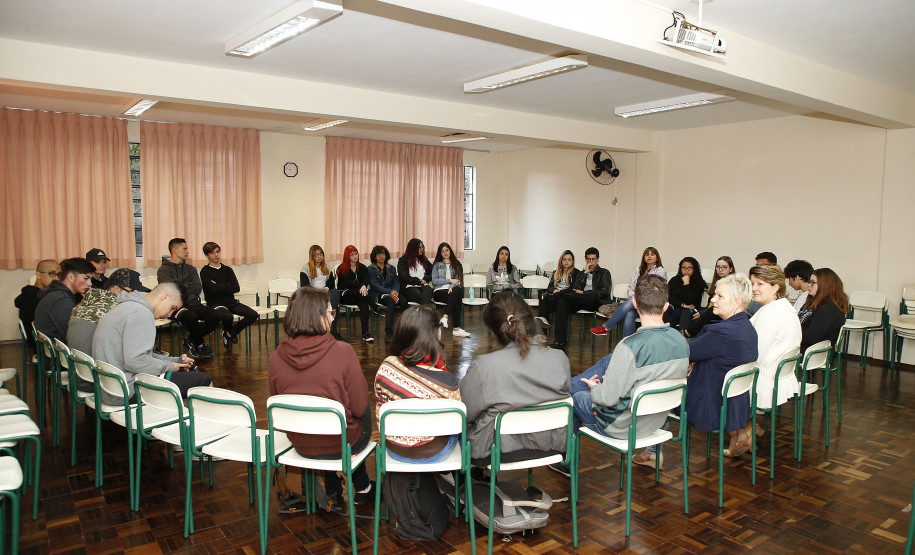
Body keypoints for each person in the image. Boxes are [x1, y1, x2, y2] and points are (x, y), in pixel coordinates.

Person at [553, 274, 689, 475]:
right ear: (667, 306)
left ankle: (567, 462)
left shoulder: (629, 346)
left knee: (576, 397)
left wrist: (596, 388)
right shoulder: (681, 342)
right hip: (656, 421)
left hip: (624, 426)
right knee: (608, 362)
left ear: (634, 303)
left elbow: (606, 399)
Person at [268, 287, 375, 508]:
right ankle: (362, 486)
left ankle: (334, 481)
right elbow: (358, 407)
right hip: (340, 442)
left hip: (300, 443)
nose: (333, 317)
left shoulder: (275, 357)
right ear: (317, 317)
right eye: (330, 312)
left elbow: (277, 403)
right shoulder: (343, 351)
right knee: (362, 412)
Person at [460, 291, 570, 466]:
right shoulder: (560, 359)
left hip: (495, 450)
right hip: (552, 446)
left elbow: (465, 412)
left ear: (494, 331)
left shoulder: (485, 366)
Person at [92, 280, 212, 406]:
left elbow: (141, 355)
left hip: (110, 388)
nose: (169, 315)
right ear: (165, 296)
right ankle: (200, 423)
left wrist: (175, 361)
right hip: (126, 390)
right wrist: (171, 366)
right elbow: (136, 361)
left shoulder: (125, 306)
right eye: (172, 308)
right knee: (202, 380)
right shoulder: (141, 313)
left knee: (183, 373)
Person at [374, 305, 461, 463]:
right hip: (433, 453)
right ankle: (457, 480)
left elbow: (379, 400)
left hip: (393, 448)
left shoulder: (387, 366)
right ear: (435, 334)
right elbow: (455, 423)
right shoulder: (448, 384)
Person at [684, 274, 758, 457]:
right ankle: (739, 433)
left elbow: (687, 352)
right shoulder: (748, 328)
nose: (713, 299)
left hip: (709, 402)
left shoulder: (721, 332)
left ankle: (652, 451)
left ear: (737, 302)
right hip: (732, 398)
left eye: (719, 296)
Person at [157, 237, 234, 359]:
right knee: (191, 317)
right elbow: (170, 290)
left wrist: (179, 286)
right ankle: (199, 343)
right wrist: (186, 286)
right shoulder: (163, 270)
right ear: (174, 250)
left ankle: (191, 340)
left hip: (194, 304)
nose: (188, 252)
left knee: (216, 316)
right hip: (175, 306)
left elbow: (197, 288)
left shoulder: (191, 269)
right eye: (185, 249)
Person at [749, 264, 801, 411]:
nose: (754, 288)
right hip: (779, 378)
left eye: (760, 284)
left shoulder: (770, 314)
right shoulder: (786, 308)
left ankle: (744, 428)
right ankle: (744, 428)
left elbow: (755, 355)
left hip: (763, 381)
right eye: (752, 283)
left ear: (776, 287)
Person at [67, 268, 150, 357]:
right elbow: (134, 351)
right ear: (116, 289)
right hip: (99, 366)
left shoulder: (88, 302)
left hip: (78, 364)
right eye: (131, 292)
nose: (135, 297)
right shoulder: (116, 309)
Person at [590, 247, 665, 339]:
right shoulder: (638, 269)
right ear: (643, 257)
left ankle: (606, 327)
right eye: (647, 254)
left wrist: (637, 299)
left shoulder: (660, 271)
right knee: (629, 313)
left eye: (652, 254)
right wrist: (635, 299)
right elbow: (631, 287)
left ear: (657, 258)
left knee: (632, 301)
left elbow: (655, 290)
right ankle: (629, 344)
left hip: (650, 304)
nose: (649, 256)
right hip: (636, 304)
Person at [199, 242, 260, 349]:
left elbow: (236, 288)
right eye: (212, 253)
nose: (216, 255)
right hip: (215, 304)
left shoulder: (228, 270)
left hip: (231, 302)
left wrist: (218, 285)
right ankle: (228, 332)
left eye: (217, 252)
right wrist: (227, 286)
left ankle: (229, 333)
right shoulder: (205, 271)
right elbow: (211, 290)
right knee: (228, 316)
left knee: (253, 314)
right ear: (207, 255)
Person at [551, 247, 612, 349]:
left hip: (596, 302)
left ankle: (559, 294)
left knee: (590, 296)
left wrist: (584, 293)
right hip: (580, 301)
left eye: (593, 259)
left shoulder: (604, 273)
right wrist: (585, 274)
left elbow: (603, 292)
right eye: (588, 259)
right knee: (562, 302)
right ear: (585, 259)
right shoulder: (581, 273)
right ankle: (560, 341)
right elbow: (576, 288)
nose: (591, 262)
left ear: (598, 259)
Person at [34, 257, 94, 344]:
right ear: (70, 277)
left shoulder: (58, 294)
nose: (90, 284)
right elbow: (75, 335)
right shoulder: (61, 300)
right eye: (86, 278)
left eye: (90, 279)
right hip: (59, 354)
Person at [798, 268, 848, 354]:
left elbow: (811, 337)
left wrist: (790, 334)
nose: (809, 285)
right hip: (799, 345)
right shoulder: (812, 302)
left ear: (825, 285)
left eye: (813, 282)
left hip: (809, 352)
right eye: (809, 282)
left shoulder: (829, 309)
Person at [15, 259, 60, 354]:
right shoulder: (36, 300)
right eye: (52, 274)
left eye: (58, 275)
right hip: (44, 349)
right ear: (39, 275)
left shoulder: (29, 294)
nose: (56, 279)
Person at [299, 244, 342, 339]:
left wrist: (325, 289)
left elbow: (331, 283)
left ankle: (332, 331)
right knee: (323, 303)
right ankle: (318, 331)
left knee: (335, 292)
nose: (319, 257)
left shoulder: (327, 266)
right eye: (316, 255)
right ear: (312, 256)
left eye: (321, 254)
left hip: (325, 293)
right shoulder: (306, 268)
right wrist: (316, 292)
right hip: (312, 294)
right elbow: (304, 286)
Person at [366, 244, 407, 342]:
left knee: (404, 301)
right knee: (391, 302)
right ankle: (389, 332)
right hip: (377, 294)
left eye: (383, 254)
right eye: (378, 254)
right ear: (374, 256)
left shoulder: (391, 268)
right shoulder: (370, 269)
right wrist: (390, 292)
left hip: (392, 293)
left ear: (386, 256)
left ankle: (407, 330)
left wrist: (395, 292)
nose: (381, 256)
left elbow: (396, 281)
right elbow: (374, 285)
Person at [431, 242, 470, 338]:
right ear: (440, 253)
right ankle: (456, 328)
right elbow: (435, 281)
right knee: (457, 296)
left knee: (456, 291)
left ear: (450, 251)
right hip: (439, 291)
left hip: (452, 291)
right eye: (442, 251)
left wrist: (451, 286)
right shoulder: (437, 265)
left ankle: (445, 317)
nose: (445, 253)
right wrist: (450, 280)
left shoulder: (456, 264)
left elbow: (459, 281)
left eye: (447, 250)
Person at [337, 245, 374, 343]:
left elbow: (366, 280)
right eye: (352, 254)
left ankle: (365, 333)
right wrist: (361, 286)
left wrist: (363, 286)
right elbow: (347, 284)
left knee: (364, 305)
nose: (355, 256)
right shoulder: (341, 268)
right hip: (345, 295)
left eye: (356, 253)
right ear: (347, 256)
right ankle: (374, 306)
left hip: (359, 296)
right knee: (358, 292)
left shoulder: (362, 267)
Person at [536, 250, 580, 328]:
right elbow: (550, 286)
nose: (567, 262)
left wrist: (560, 292)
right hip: (555, 296)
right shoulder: (556, 272)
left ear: (572, 261)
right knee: (541, 296)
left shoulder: (576, 272)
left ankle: (543, 319)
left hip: (566, 298)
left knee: (546, 298)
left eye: (569, 260)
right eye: (564, 259)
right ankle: (543, 321)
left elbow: (574, 288)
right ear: (561, 261)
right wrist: (554, 290)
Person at [666, 256, 707, 331]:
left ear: (694, 269)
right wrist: (682, 304)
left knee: (683, 312)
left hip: (691, 310)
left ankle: (682, 336)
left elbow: (689, 300)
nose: (686, 270)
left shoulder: (699, 283)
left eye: (690, 268)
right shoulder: (674, 280)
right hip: (676, 307)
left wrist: (686, 284)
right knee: (666, 311)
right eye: (684, 268)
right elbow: (667, 297)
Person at [397, 238, 433, 305]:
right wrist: (419, 281)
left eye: (422, 247)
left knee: (427, 288)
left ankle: (424, 313)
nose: (422, 249)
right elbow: (404, 277)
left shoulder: (423, 259)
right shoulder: (403, 260)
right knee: (423, 298)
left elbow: (431, 271)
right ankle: (427, 313)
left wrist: (425, 279)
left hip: (423, 286)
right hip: (409, 287)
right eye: (420, 247)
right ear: (413, 248)